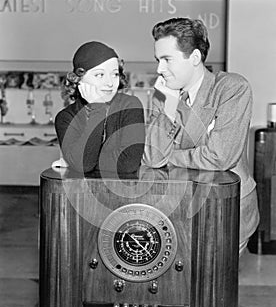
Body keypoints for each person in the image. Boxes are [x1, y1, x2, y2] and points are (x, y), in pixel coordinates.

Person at [142, 17, 259, 255]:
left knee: (213, 289)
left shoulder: (231, 88)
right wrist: (168, 105)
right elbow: (153, 158)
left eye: (166, 59)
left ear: (194, 58)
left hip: (226, 213)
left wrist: (170, 156)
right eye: (157, 60)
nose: (159, 70)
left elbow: (220, 158)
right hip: (179, 213)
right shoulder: (162, 94)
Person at [55, 41, 145, 175]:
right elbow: (83, 165)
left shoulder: (130, 105)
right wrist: (97, 108)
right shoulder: (65, 117)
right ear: (79, 79)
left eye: (114, 74)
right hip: (80, 193)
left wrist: (75, 161)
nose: (110, 83)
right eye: (100, 75)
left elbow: (128, 163)